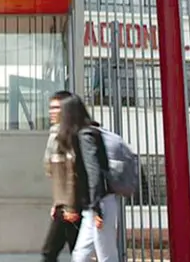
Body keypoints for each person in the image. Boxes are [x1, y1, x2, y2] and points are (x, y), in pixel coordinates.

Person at [54, 94, 120, 262]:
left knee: (106, 256)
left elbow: (94, 172)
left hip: (100, 204)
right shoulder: (81, 135)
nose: (54, 114)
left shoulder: (86, 136)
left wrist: (98, 209)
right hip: (92, 206)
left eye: (59, 110)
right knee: (80, 256)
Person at [42, 90, 79, 262]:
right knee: (74, 252)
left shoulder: (69, 136)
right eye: (50, 107)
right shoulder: (55, 134)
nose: (51, 111)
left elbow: (72, 173)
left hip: (71, 208)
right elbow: (57, 175)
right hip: (62, 206)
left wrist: (70, 207)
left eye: (56, 107)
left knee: (50, 252)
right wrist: (56, 204)